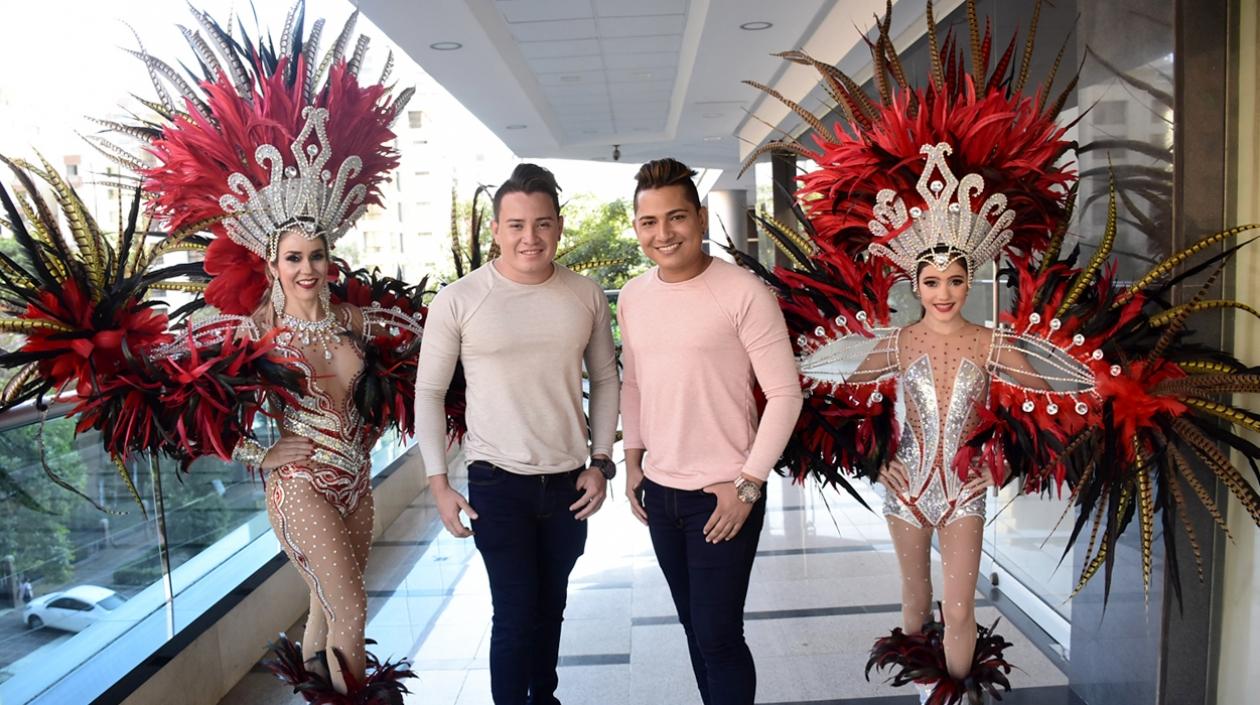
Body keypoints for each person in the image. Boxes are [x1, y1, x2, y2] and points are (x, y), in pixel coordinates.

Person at [412, 163, 620, 705]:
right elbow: (429, 394)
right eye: (517, 225)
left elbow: (604, 379)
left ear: (558, 226)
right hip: (497, 483)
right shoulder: (459, 299)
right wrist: (439, 484)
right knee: (513, 613)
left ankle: (543, 697)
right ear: (497, 230)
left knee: (551, 606)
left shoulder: (585, 294)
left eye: (543, 223)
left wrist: (601, 462)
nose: (531, 238)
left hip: (569, 484)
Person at [618, 158, 802, 705]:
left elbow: (786, 395)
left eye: (676, 217)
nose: (663, 233)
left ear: (699, 218)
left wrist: (747, 484)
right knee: (696, 633)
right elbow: (634, 384)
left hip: (723, 494)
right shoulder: (632, 295)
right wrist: (632, 462)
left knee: (720, 637)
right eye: (649, 222)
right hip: (662, 492)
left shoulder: (744, 291)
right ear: (636, 227)